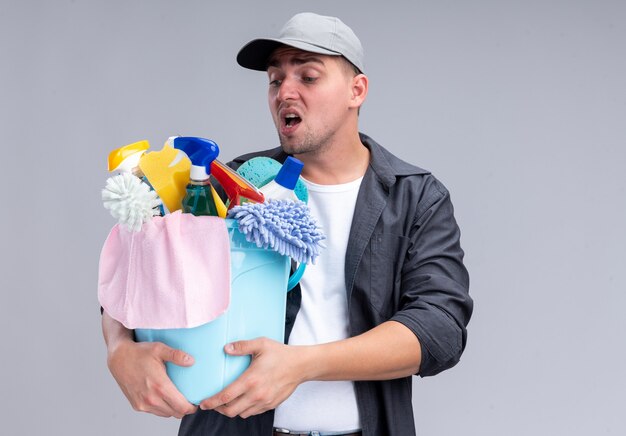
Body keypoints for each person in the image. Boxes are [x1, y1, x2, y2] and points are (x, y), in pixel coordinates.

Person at [102, 12, 473, 436]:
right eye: (276, 80)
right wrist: (119, 349)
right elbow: (135, 274)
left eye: (308, 77)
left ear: (357, 90)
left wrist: (301, 365)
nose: (285, 92)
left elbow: (440, 327)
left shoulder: (416, 198)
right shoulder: (229, 187)